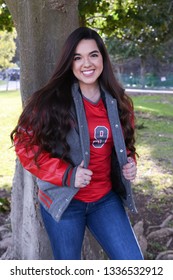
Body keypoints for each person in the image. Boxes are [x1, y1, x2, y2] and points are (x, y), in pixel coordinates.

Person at [11, 27, 143, 260]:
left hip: (105, 199)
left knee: (133, 264)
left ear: (102, 58)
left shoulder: (119, 102)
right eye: (77, 57)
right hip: (64, 201)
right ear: (69, 63)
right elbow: (24, 144)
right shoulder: (49, 101)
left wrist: (129, 161)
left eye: (93, 55)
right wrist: (67, 174)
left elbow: (125, 145)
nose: (86, 63)